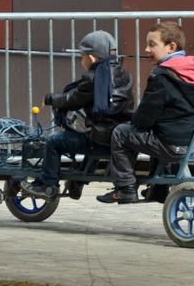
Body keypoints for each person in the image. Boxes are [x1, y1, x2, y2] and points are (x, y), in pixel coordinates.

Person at [96, 21, 194, 204]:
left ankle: (125, 187)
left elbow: (145, 116)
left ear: (171, 47)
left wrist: (132, 120)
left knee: (121, 133)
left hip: (171, 144)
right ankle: (159, 189)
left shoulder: (161, 75)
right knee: (156, 131)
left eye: (152, 44)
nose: (146, 49)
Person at [21, 30, 134, 200]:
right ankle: (78, 182)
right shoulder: (123, 73)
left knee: (54, 141)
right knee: (86, 130)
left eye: (82, 57)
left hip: (102, 140)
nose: (81, 61)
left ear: (92, 58)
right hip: (118, 135)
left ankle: (47, 185)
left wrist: (50, 99)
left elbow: (72, 99)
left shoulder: (94, 79)